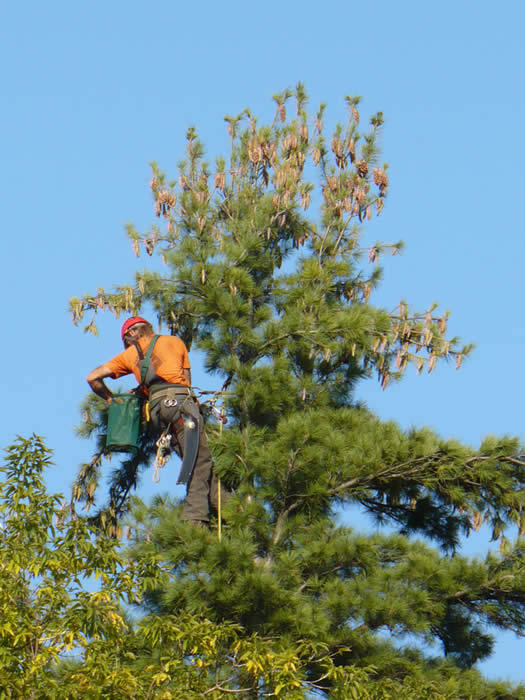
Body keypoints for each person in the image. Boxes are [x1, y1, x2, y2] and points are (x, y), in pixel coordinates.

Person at [86, 316, 229, 527]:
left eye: (126, 340)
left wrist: (110, 399)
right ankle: (194, 522)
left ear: (132, 333)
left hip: (157, 413)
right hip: (181, 405)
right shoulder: (175, 342)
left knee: (198, 464)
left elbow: (93, 377)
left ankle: (234, 512)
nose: (127, 345)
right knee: (200, 463)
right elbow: (187, 383)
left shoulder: (129, 354)